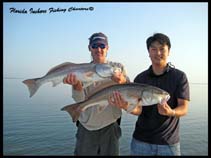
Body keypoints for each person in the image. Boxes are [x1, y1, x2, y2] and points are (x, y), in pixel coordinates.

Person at [108, 33, 190, 156]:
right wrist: (125, 106)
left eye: (162, 49)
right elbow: (139, 110)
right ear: (149, 52)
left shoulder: (179, 77)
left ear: (169, 51)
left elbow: (184, 108)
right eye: (154, 49)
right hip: (141, 141)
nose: (158, 53)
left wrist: (171, 112)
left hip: (168, 143)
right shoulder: (141, 78)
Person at [63, 32, 130, 155]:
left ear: (107, 48)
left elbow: (130, 89)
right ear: (89, 48)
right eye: (94, 46)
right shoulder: (81, 71)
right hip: (87, 128)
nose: (98, 49)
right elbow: (79, 99)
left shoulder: (117, 67)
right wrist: (76, 84)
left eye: (102, 46)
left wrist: (122, 81)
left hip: (110, 126)